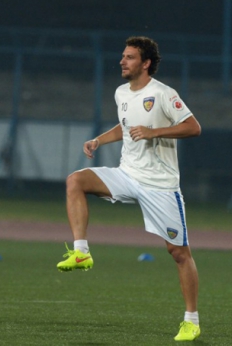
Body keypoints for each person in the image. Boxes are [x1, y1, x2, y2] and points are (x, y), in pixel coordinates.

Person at [56, 36, 201, 342]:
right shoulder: (121, 92)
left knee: (178, 253)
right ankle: (81, 252)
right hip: (127, 174)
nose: (122, 61)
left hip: (160, 186)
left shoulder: (163, 93)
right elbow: (125, 126)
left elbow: (193, 127)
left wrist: (155, 131)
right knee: (75, 181)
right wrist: (99, 140)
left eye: (130, 57)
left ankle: (191, 320)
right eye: (123, 56)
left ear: (146, 63)